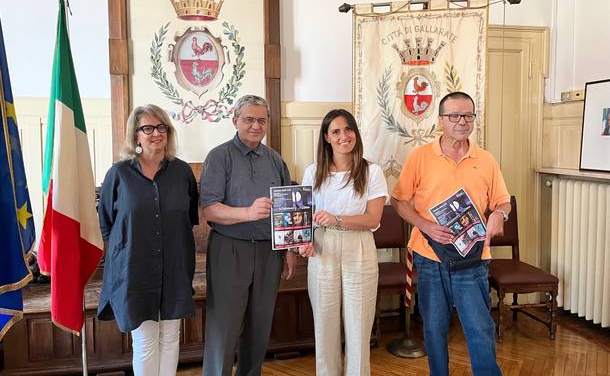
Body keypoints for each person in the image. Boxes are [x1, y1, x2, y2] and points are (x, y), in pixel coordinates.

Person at [391, 91, 511, 376]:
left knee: (480, 328)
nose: (462, 121)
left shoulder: (486, 159)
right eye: (454, 115)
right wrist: (426, 224)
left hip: (473, 258)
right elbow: (399, 201)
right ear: (440, 120)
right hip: (430, 257)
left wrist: (499, 214)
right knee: (433, 329)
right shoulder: (420, 157)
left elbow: (502, 201)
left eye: (468, 115)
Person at [97, 104, 199, 376]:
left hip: (175, 268)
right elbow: (106, 223)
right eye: (148, 128)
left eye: (162, 127)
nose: (156, 133)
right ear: (136, 136)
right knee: (144, 341)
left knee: (170, 338)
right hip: (134, 271)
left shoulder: (182, 173)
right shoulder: (119, 174)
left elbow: (188, 218)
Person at [199, 94, 297, 376]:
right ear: (235, 121)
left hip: (270, 253)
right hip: (230, 250)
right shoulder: (219, 157)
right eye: (249, 119)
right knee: (224, 328)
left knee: (259, 327)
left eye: (261, 120)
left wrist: (290, 249)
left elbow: (287, 209)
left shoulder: (275, 160)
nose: (256, 125)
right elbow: (210, 210)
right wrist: (247, 212)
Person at [299, 109, 388, 376]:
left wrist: (336, 218)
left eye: (348, 129)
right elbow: (304, 218)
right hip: (322, 248)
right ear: (326, 137)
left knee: (358, 324)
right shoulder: (313, 172)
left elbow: (372, 219)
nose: (343, 136)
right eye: (336, 131)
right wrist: (302, 242)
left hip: (358, 246)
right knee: (324, 323)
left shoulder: (372, 171)